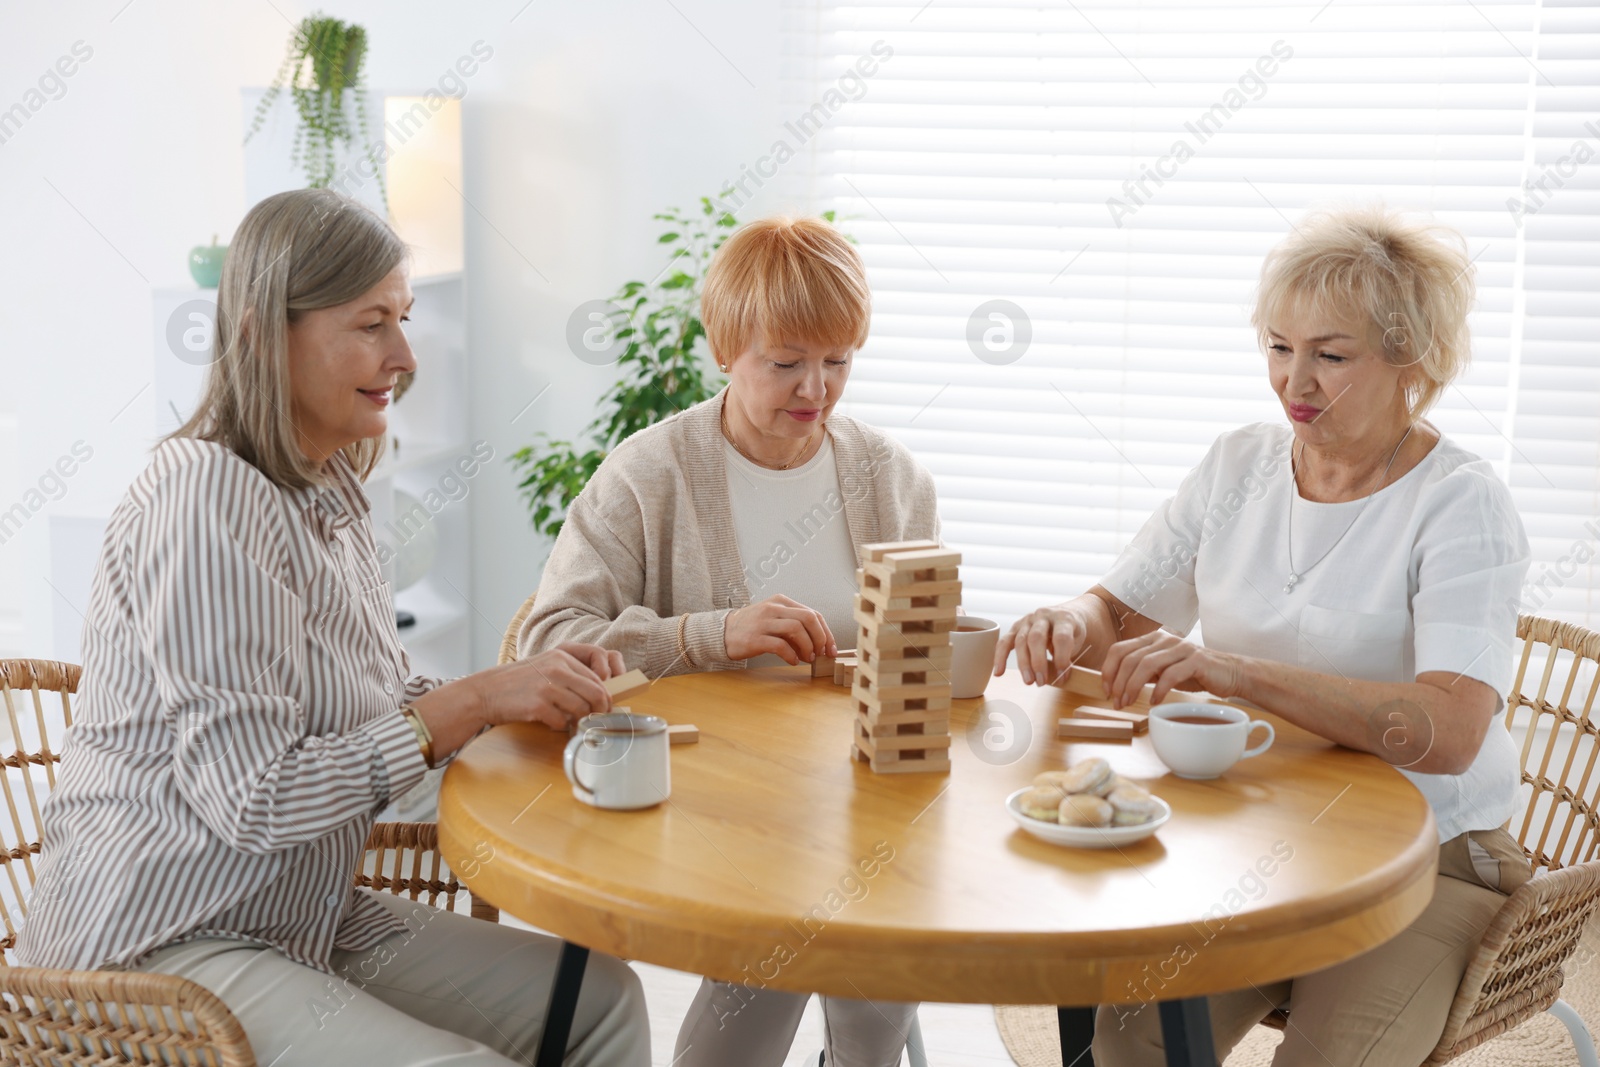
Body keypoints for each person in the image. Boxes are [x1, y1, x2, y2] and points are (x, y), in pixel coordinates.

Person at [15, 189, 650, 1067]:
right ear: (265, 333)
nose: (404, 354)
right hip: (163, 942)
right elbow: (253, 797)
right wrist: (469, 702)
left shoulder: (326, 492)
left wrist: (520, 697)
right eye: (371, 323)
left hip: (295, 913)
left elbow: (382, 703)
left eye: (405, 318)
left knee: (599, 1001)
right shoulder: (203, 499)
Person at [995, 205, 1532, 1067]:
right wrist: (1074, 619)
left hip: (1431, 858)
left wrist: (1233, 673)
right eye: (1279, 346)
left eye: (1331, 354)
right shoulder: (1239, 465)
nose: (1295, 382)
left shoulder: (1461, 504)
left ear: (1412, 362)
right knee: (1130, 1042)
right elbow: (1120, 619)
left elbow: (1452, 733)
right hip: (1259, 831)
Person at [520, 216, 935, 1066]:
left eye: (838, 360)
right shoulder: (649, 473)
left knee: (880, 950)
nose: (815, 388)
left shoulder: (892, 479)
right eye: (785, 362)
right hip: (707, 802)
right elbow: (550, 639)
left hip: (863, 800)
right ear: (723, 348)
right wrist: (712, 634)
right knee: (781, 954)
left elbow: (918, 648)